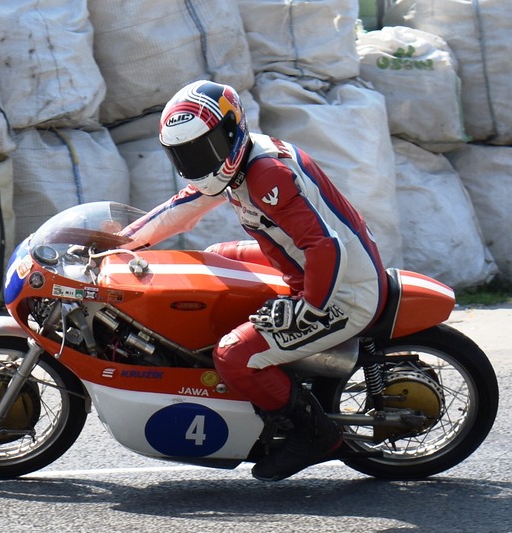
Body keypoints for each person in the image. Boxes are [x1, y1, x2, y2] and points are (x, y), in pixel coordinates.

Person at [120, 80, 388, 481]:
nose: (198, 163)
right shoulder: (243, 159)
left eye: (204, 149)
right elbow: (182, 208)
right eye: (186, 155)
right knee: (214, 259)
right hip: (304, 264)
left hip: (342, 290)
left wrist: (309, 308)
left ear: (232, 132)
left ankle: (311, 434)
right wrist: (118, 243)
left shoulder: (266, 176)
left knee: (233, 356)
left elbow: (325, 247)